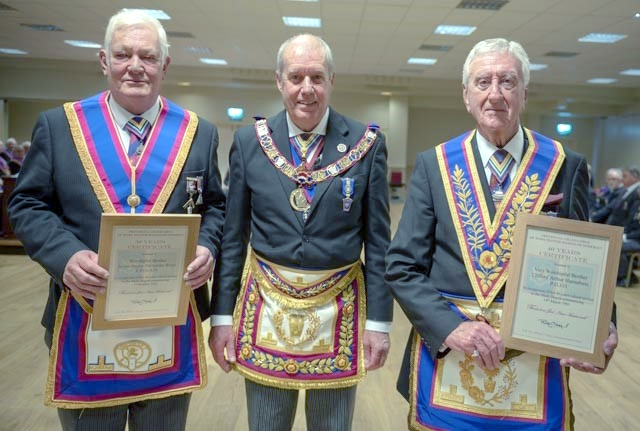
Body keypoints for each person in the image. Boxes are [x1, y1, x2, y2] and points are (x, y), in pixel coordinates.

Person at [385, 38, 618, 431]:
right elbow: (401, 266)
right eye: (483, 82)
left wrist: (602, 327)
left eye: (507, 82)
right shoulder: (434, 165)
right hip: (451, 354)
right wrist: (451, 328)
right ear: (466, 96)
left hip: (536, 361)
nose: (495, 94)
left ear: (524, 94)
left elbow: (590, 261)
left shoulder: (565, 165)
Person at [8, 9, 225, 431]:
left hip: (171, 323)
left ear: (165, 64)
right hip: (83, 312)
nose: (135, 66)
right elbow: (26, 204)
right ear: (104, 61)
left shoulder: (199, 132)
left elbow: (215, 206)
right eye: (123, 55)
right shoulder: (60, 126)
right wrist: (66, 256)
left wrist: (208, 246)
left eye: (148, 56)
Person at [208, 33, 392, 431]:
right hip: (266, 309)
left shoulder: (367, 144)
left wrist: (379, 323)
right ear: (279, 81)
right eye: (296, 77)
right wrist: (221, 316)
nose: (306, 89)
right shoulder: (249, 143)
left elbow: (379, 244)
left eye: (317, 77)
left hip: (338, 311)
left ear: (331, 81)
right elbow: (233, 238)